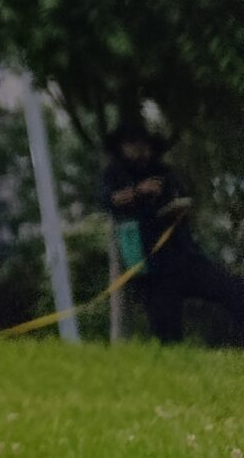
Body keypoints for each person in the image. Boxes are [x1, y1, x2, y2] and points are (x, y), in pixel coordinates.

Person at [102, 116, 244, 346]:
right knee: (167, 332)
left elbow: (182, 198)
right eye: (133, 144)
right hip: (152, 268)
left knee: (234, 290)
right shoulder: (115, 175)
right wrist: (139, 191)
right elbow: (111, 200)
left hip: (185, 256)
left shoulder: (163, 172)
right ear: (122, 147)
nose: (141, 150)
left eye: (144, 145)